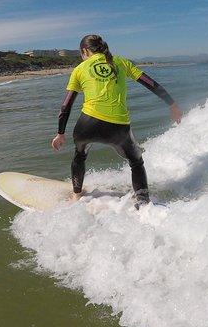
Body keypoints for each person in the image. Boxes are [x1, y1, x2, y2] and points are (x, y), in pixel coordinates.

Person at [51, 34, 183, 208]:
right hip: (117, 129)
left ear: (84, 51)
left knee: (80, 155)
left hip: (86, 126)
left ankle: (76, 195)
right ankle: (143, 203)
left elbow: (66, 104)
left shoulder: (80, 69)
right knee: (136, 162)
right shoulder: (121, 62)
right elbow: (150, 83)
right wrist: (172, 104)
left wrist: (60, 133)